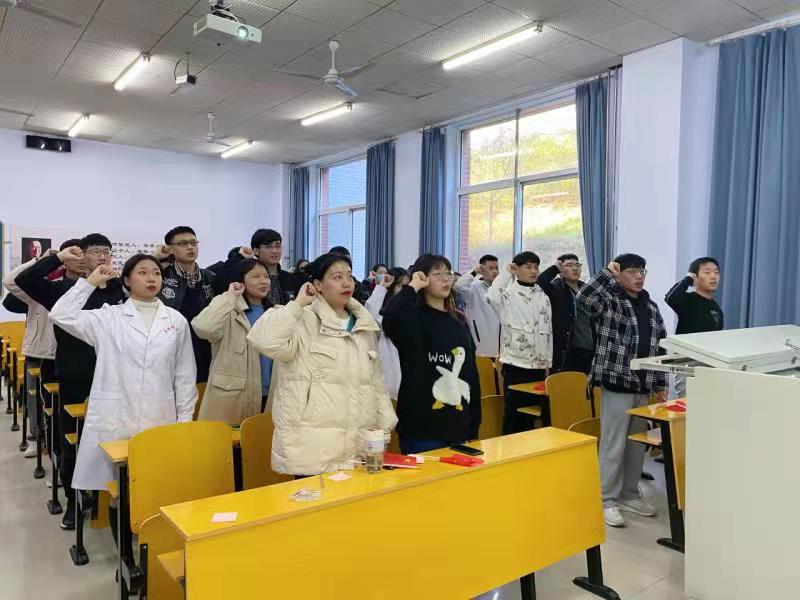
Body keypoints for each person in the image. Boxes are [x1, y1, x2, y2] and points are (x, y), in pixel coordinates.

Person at [49, 255, 197, 499]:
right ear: (127, 280)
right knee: (117, 489)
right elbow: (60, 315)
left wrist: (185, 419)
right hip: (117, 415)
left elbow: (185, 375)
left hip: (160, 415)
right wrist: (90, 283)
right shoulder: (108, 317)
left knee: (156, 485)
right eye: (142, 272)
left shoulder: (176, 321)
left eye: (156, 273)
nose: (151, 278)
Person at [247, 253, 396, 476]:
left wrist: (384, 428)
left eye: (349, 276)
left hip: (359, 448)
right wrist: (297, 304)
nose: (346, 283)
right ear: (317, 284)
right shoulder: (301, 319)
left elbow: (375, 383)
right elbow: (262, 340)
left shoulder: (364, 326)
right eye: (337, 277)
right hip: (312, 449)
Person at [16, 233, 126, 530]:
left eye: (107, 250)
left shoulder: (119, 288)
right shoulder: (63, 291)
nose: (102, 256)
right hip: (76, 376)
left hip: (114, 378)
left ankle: (111, 499)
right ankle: (74, 502)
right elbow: (25, 281)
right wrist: (57, 258)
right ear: (82, 257)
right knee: (72, 444)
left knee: (112, 442)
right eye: (95, 251)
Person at [577, 254, 667, 528]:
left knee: (636, 445)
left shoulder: (651, 308)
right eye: (632, 271)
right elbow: (583, 299)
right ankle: (606, 499)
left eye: (642, 271)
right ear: (619, 274)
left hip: (643, 385)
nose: (639, 276)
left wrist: (660, 384)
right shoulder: (609, 301)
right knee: (613, 445)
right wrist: (607, 274)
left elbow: (660, 348)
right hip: (616, 381)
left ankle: (629, 494)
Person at [383, 254, 481, 454]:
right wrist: (412, 286)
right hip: (421, 427)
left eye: (448, 273)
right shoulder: (413, 319)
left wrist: (474, 422)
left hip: (457, 424)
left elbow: (470, 374)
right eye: (437, 274)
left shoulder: (459, 321)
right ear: (423, 279)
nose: (446, 279)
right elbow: (391, 316)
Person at [4, 241, 81, 458]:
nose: (78, 258)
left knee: (64, 405)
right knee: (36, 400)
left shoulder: (89, 287)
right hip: (41, 352)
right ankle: (35, 439)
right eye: (72, 254)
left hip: (71, 355)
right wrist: (43, 259)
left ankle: (59, 444)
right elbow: (10, 281)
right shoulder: (44, 286)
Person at [192, 259, 274, 425]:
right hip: (232, 397)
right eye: (256, 276)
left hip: (269, 396)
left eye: (266, 276)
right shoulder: (228, 311)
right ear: (240, 281)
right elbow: (203, 327)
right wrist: (229, 296)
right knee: (229, 441)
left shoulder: (276, 313)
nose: (263, 281)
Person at [486, 251, 553, 434]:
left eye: (536, 267)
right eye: (528, 267)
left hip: (539, 366)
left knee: (536, 416)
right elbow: (492, 296)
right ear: (517, 269)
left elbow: (548, 332)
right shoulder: (508, 294)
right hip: (516, 364)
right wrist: (507, 272)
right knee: (515, 415)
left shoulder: (543, 296)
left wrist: (548, 362)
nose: (534, 271)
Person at [155, 226, 216, 384]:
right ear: (170, 249)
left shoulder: (210, 277)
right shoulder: (161, 276)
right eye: (183, 243)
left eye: (193, 243)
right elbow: (130, 285)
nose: (190, 247)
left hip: (204, 345)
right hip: (171, 344)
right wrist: (156, 258)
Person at [537, 254, 594, 374]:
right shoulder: (556, 288)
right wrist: (554, 269)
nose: (575, 268)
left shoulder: (586, 290)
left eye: (577, 265)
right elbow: (538, 285)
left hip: (589, 348)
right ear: (561, 271)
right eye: (569, 265)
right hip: (567, 349)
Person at [364, 267, 409, 399]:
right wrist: (382, 286)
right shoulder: (384, 315)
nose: (404, 291)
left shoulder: (412, 310)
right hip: (387, 383)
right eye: (400, 286)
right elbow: (371, 316)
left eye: (407, 287)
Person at [454, 254, 501, 359]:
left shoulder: (501, 289)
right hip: (482, 348)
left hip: (502, 350)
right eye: (490, 268)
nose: (494, 271)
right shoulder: (473, 289)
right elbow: (459, 286)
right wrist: (474, 271)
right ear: (482, 270)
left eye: (496, 268)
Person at [665, 257, 723, 335]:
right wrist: (688, 279)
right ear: (695, 277)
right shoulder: (688, 300)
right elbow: (670, 298)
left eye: (716, 272)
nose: (713, 276)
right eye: (707, 272)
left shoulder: (716, 307)